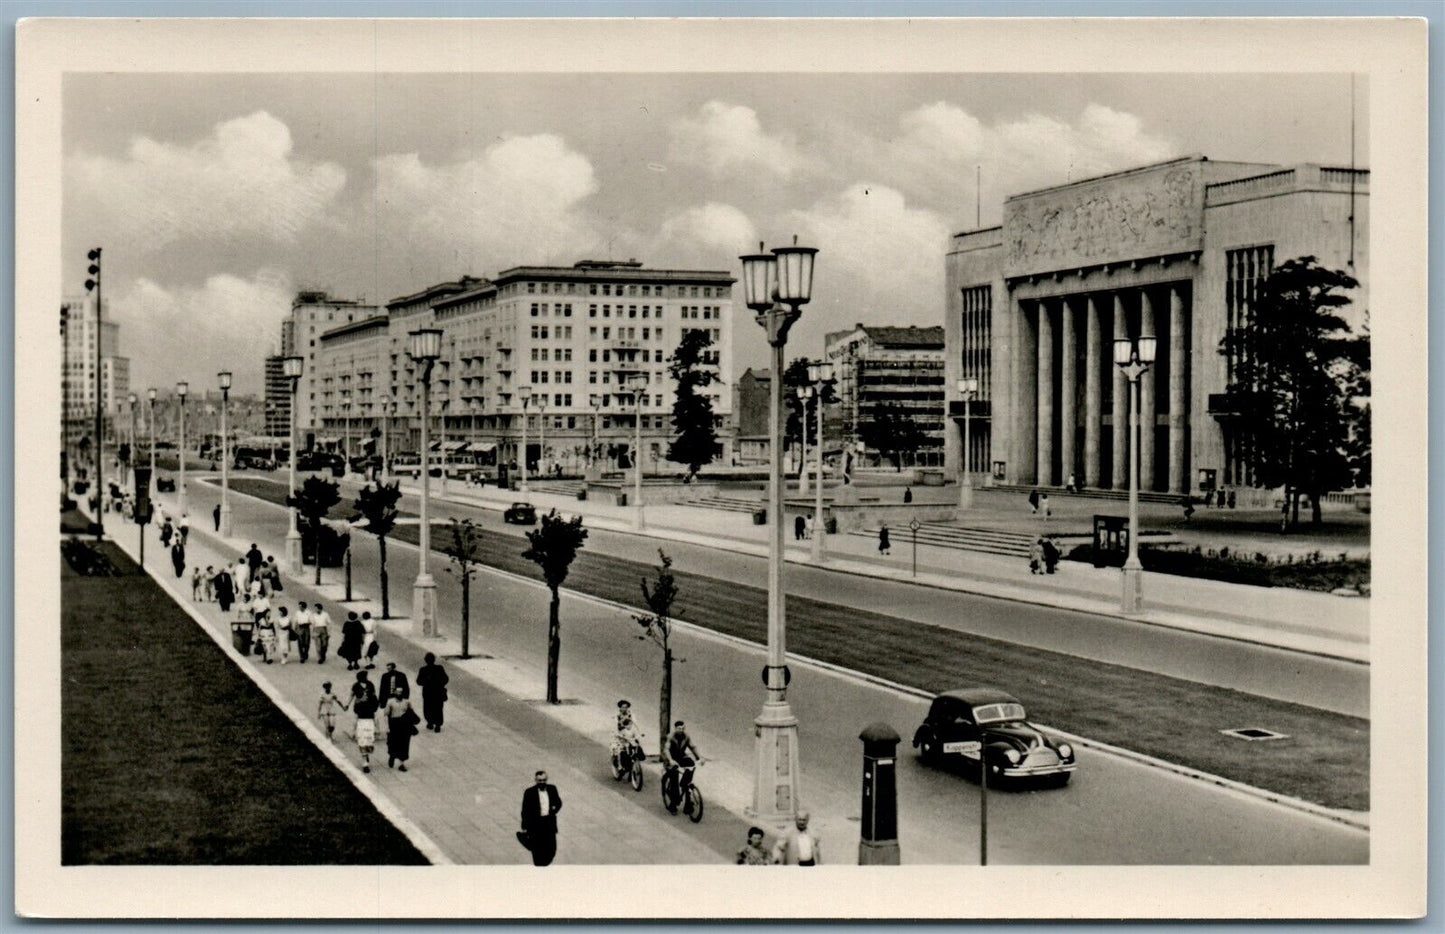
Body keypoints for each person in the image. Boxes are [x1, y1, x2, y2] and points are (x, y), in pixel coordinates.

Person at [519, 770, 563, 867]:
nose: (542, 782)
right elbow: (525, 810)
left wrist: (554, 809)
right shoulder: (529, 792)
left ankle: (546, 861)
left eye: (544, 780)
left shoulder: (552, 789)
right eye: (539, 780)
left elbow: (559, 802)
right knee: (537, 850)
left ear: (546, 780)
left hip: (549, 823)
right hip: (536, 825)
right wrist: (525, 826)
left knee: (552, 849)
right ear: (536, 780)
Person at [665, 720, 704, 813]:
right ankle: (673, 804)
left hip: (681, 756)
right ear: (675, 728)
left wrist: (700, 758)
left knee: (690, 766)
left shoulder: (686, 736)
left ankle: (687, 804)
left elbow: (692, 747)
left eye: (683, 728)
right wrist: (670, 760)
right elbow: (666, 749)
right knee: (674, 779)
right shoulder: (670, 737)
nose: (681, 730)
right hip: (671, 758)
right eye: (679, 728)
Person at [350, 671, 379, 773]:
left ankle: (366, 754)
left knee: (369, 743)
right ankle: (365, 763)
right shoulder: (358, 700)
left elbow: (376, 705)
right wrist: (359, 701)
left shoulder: (372, 694)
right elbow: (355, 709)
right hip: (361, 720)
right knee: (362, 741)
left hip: (370, 719)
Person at [384, 686, 419, 771]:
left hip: (404, 724)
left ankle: (401, 764)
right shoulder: (390, 702)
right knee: (392, 742)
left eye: (401, 692)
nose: (399, 693)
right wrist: (387, 726)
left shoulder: (406, 702)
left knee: (404, 744)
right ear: (395, 692)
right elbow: (386, 715)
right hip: (394, 724)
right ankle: (392, 756)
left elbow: (411, 712)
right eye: (398, 692)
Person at [416, 653, 449, 732]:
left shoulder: (423, 670)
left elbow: (419, 681)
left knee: (428, 708)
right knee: (438, 708)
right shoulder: (439, 668)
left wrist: (426, 682)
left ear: (425, 660)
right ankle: (438, 724)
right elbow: (446, 679)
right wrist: (440, 684)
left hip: (428, 693)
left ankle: (430, 722)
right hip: (438, 692)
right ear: (434, 660)